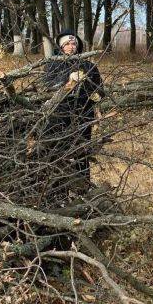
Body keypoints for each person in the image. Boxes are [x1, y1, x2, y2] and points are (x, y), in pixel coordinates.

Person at [43, 30, 104, 193]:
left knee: (81, 154)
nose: (71, 46)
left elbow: (100, 90)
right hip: (59, 116)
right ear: (61, 47)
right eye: (67, 44)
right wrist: (68, 79)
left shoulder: (89, 66)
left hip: (84, 115)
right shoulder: (53, 64)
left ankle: (83, 189)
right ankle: (58, 192)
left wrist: (94, 94)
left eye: (73, 43)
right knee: (59, 154)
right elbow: (47, 88)